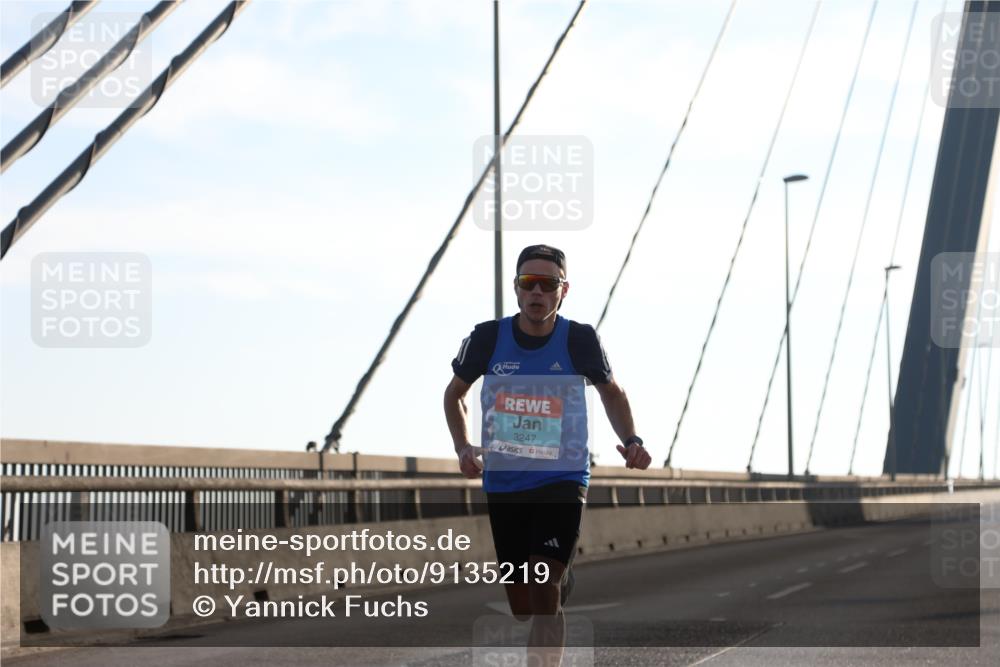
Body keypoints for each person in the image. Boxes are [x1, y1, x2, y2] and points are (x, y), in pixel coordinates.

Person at [443, 244, 650, 665]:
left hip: (563, 479)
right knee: (522, 605)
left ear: (563, 290)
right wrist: (463, 447)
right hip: (504, 483)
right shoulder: (487, 338)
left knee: (543, 588)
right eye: (528, 283)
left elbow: (613, 393)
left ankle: (554, 585)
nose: (537, 292)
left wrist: (632, 440)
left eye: (547, 284)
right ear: (517, 290)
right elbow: (454, 395)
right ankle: (562, 577)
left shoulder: (579, 340)